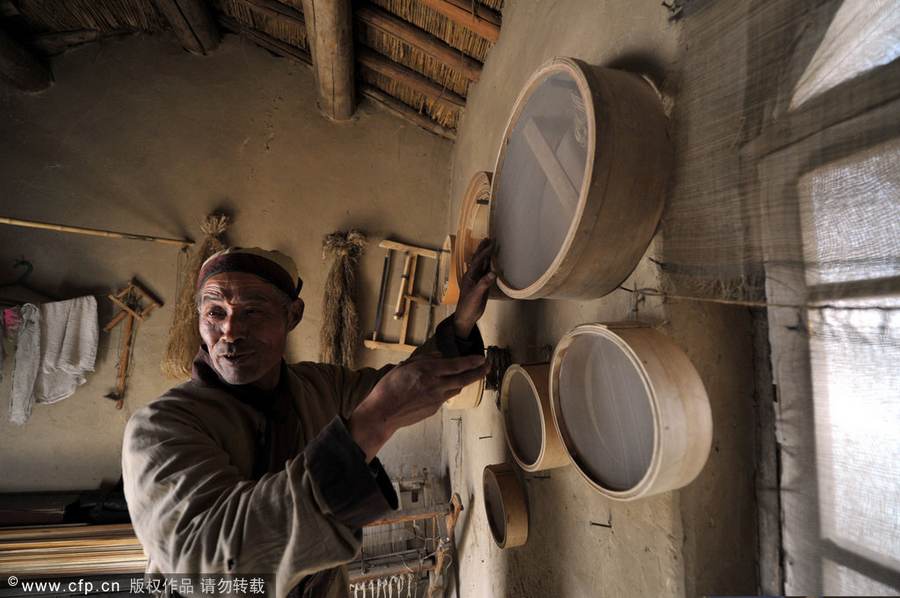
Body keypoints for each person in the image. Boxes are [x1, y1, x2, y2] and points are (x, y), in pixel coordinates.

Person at [121, 240, 496, 598]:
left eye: (253, 311)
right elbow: (206, 568)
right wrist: (373, 423)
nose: (230, 331)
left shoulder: (319, 386)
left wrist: (460, 322)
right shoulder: (160, 428)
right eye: (215, 312)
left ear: (293, 315)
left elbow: (405, 384)